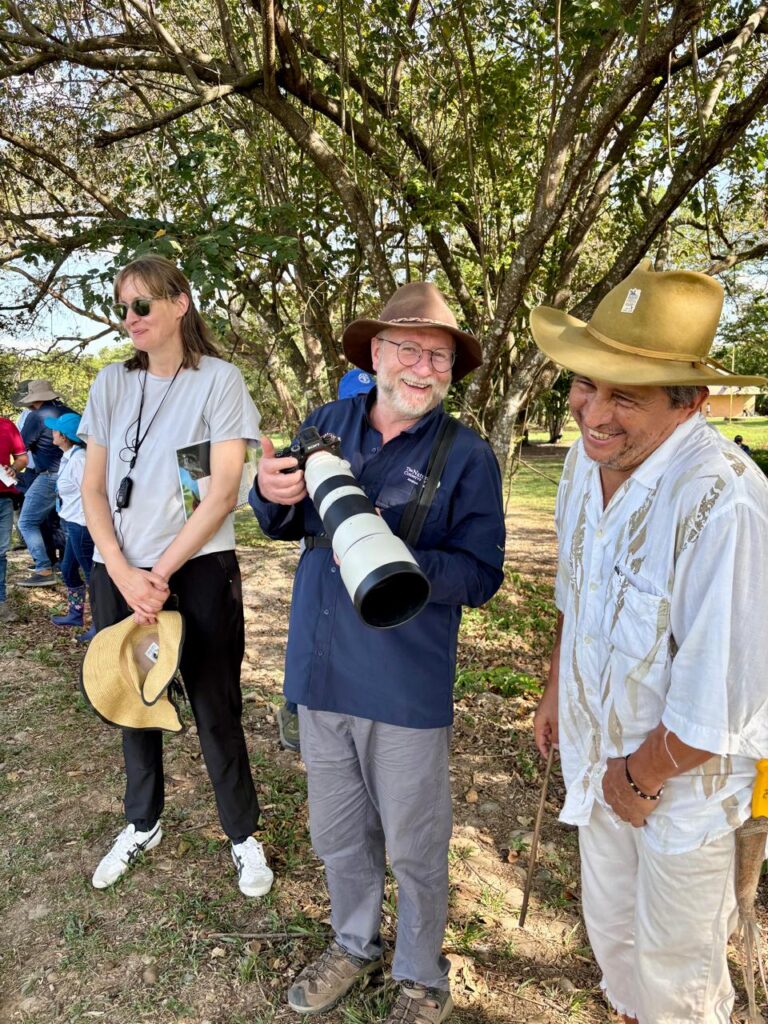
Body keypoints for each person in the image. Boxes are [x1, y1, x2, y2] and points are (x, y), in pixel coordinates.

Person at [250, 282, 505, 1023]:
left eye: (440, 356)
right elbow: (282, 520)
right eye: (409, 350)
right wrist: (269, 492)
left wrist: (397, 562)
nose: (423, 368)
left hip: (405, 684)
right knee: (336, 832)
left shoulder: (468, 456)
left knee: (415, 845)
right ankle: (354, 943)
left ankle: (422, 974)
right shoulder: (326, 423)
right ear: (376, 354)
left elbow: (482, 573)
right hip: (321, 669)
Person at [529, 259, 768, 1024]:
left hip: (675, 794)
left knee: (680, 983)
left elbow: (723, 692)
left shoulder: (724, 502)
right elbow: (578, 588)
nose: (592, 413)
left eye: (623, 395)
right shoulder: (581, 461)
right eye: (584, 384)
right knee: (619, 950)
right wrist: (555, 685)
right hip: (600, 765)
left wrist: (637, 780)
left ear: (690, 401)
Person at [80, 254, 273, 898]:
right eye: (122, 307)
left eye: (142, 305)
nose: (130, 318)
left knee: (215, 701)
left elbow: (220, 492)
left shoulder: (219, 381)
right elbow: (93, 488)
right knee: (133, 696)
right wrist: (120, 569)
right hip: (122, 571)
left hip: (197, 568)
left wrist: (157, 574)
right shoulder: (110, 382)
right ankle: (142, 822)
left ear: (180, 303)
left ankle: (242, 834)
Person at [276, 367, 377, 755]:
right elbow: (282, 512)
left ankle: (299, 705)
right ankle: (299, 704)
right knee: (318, 621)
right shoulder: (327, 434)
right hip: (321, 549)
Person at [16, 379, 76, 586]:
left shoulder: (36, 416)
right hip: (75, 470)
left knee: (26, 521)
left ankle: (43, 569)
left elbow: (21, 446)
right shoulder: (69, 411)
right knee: (67, 522)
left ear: (35, 399)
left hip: (50, 474)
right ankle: (70, 567)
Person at [45, 412, 96, 638]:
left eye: (55, 430)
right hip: (71, 522)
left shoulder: (80, 460)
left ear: (64, 436)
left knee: (91, 575)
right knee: (67, 570)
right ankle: (76, 613)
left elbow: (92, 493)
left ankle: (100, 623)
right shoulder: (69, 457)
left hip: (82, 525)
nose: (51, 432)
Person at [0, 415, 28, 621]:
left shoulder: (6, 426)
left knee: (1, 552)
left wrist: (14, 467)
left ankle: (1, 603)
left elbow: (22, 458)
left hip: (4, 498)